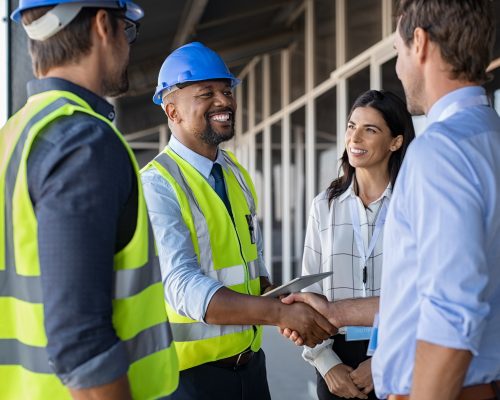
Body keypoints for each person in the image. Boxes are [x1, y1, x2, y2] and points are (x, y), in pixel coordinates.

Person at [284, 0, 500, 399]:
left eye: (397, 52)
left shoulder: (441, 152)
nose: (399, 68)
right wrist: (335, 314)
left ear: (419, 43)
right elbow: (421, 292)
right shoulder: (489, 135)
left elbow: (450, 311)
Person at [0, 1, 178, 399]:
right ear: (102, 25)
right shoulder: (82, 142)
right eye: (126, 31)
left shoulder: (14, 135)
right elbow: (82, 346)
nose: (128, 48)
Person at [141, 41, 335, 400]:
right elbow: (182, 286)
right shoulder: (157, 184)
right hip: (189, 381)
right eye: (207, 93)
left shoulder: (234, 174)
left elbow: (251, 265)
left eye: (227, 91)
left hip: (250, 369)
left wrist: (282, 299)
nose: (224, 101)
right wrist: (277, 313)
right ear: (172, 111)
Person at [300, 90, 415, 400]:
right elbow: (310, 291)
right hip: (336, 359)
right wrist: (326, 364)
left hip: (401, 355)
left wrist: (383, 361)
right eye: (351, 126)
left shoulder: (414, 204)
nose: (355, 137)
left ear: (396, 142)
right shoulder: (324, 205)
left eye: (370, 129)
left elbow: (422, 292)